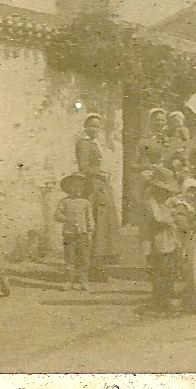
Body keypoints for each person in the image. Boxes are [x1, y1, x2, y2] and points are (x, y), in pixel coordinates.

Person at [75, 112, 122, 281]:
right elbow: (83, 167)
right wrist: (100, 173)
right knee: (96, 227)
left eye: (97, 127)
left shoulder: (96, 143)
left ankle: (100, 271)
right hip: (93, 188)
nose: (95, 129)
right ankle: (92, 271)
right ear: (85, 127)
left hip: (102, 187)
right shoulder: (83, 144)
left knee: (105, 228)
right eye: (92, 126)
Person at [141, 165, 182, 315]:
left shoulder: (166, 199)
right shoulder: (150, 200)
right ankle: (161, 301)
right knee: (160, 270)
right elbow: (158, 218)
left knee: (170, 269)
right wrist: (173, 215)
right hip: (157, 237)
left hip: (168, 237)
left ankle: (167, 297)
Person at [54, 172, 94, 291]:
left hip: (83, 234)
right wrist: (65, 218)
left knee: (83, 258)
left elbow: (89, 219)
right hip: (69, 234)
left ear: (83, 189)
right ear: (69, 188)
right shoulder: (64, 202)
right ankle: (68, 281)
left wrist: (90, 232)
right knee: (69, 257)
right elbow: (57, 215)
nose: (77, 189)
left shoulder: (86, 203)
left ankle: (83, 281)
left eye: (80, 187)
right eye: (74, 186)